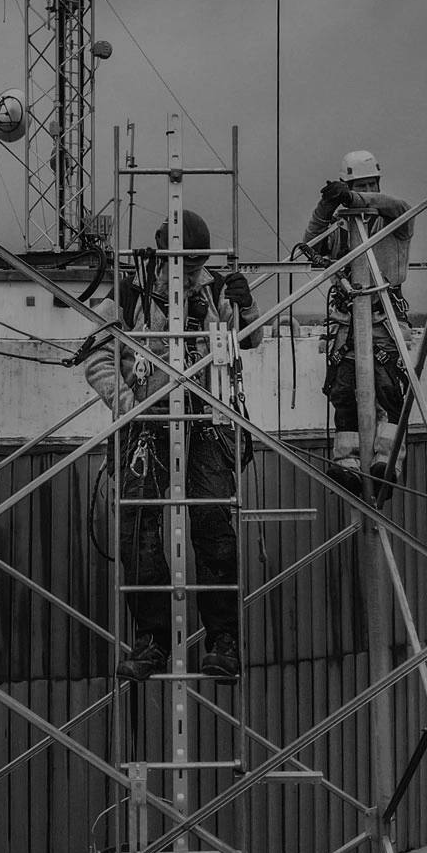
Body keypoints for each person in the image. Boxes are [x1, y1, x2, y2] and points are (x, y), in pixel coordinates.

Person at [78, 210, 259, 682]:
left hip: (206, 424)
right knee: (137, 527)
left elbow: (249, 340)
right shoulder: (130, 295)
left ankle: (223, 640)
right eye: (180, 264)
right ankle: (153, 639)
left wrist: (248, 308)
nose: (186, 273)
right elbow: (98, 358)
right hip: (146, 428)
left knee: (214, 522)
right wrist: (131, 406)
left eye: (194, 265)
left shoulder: (217, 293)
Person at [302, 150, 412, 502]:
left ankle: (387, 463)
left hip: (384, 319)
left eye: (370, 184)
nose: (366, 190)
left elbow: (394, 205)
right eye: (358, 185)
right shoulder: (340, 228)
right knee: (344, 393)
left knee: (388, 391)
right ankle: (347, 461)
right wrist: (326, 208)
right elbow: (311, 243)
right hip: (346, 322)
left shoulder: (396, 219)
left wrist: (354, 198)